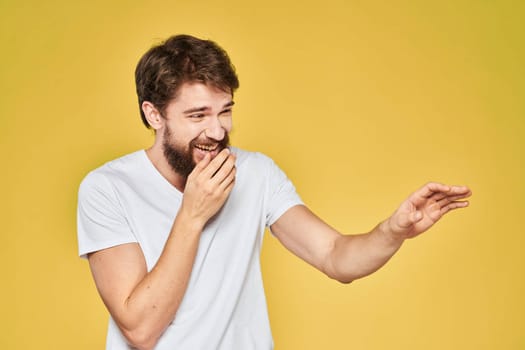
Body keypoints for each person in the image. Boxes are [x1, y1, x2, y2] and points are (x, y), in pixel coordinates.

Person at [77, 34, 472, 350]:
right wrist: (192, 214)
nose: (216, 131)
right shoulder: (107, 189)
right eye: (197, 115)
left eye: (225, 111)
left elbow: (336, 258)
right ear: (154, 114)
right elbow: (140, 329)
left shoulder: (256, 173)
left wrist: (393, 230)